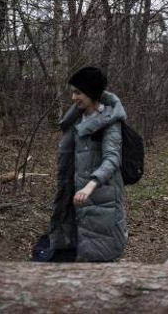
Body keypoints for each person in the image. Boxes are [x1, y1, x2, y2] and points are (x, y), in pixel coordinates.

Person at [47, 66, 128, 262]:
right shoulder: (76, 118)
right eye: (73, 92)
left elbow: (112, 158)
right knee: (73, 255)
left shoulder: (109, 122)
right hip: (74, 199)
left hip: (101, 200)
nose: (74, 98)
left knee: (100, 259)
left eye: (78, 92)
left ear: (92, 93)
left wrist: (91, 184)